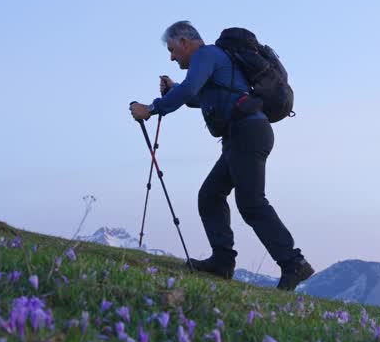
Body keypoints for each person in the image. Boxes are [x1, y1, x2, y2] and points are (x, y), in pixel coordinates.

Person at [129, 21, 314, 291]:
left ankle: (293, 263)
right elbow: (197, 96)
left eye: (172, 49)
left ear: (185, 42)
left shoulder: (206, 54)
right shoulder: (213, 61)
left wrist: (152, 108)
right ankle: (223, 261)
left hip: (247, 133)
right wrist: (174, 88)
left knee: (251, 203)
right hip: (243, 134)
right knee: (211, 195)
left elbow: (191, 90)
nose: (171, 57)